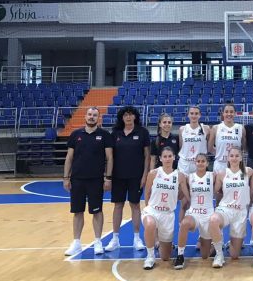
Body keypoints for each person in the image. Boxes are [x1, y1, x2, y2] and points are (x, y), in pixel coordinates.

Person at [62, 107, 114, 256]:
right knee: (77, 211)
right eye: (90, 114)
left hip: (96, 180)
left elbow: (110, 158)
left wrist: (108, 178)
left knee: (97, 211)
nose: (92, 117)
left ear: (98, 118)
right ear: (85, 116)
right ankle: (76, 243)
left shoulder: (104, 135)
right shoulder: (75, 134)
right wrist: (66, 177)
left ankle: (98, 241)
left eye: (95, 115)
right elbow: (69, 157)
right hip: (77, 179)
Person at [105, 106, 150, 253]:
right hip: (118, 176)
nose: (128, 117)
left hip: (136, 176)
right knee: (118, 205)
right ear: (122, 118)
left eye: (131, 114)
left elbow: (147, 156)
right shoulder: (115, 133)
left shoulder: (142, 132)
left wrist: (145, 175)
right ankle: (115, 239)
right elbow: (110, 157)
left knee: (135, 205)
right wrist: (108, 177)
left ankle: (137, 238)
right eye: (125, 115)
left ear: (135, 116)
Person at [141, 147, 190, 269]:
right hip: (152, 210)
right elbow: (147, 192)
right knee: (150, 224)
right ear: (160, 158)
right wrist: (148, 208)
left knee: (165, 257)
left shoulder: (180, 176)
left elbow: (185, 195)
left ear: (174, 157)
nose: (167, 159)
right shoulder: (153, 173)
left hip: (168, 214)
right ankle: (150, 256)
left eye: (170, 156)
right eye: (165, 156)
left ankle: (166, 244)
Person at [208, 146, 253, 268]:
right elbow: (214, 192)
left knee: (234, 255)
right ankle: (219, 255)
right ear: (228, 158)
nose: (234, 158)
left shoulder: (249, 172)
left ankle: (231, 243)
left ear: (241, 158)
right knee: (213, 220)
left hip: (241, 212)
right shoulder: (222, 174)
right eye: (232, 156)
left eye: (237, 156)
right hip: (226, 208)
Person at [174, 153, 215, 269]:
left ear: (207, 163)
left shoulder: (213, 176)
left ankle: (212, 245)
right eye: (198, 161)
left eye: (203, 161)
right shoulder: (189, 178)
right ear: (195, 163)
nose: (200, 163)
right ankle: (180, 255)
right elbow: (180, 196)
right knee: (184, 223)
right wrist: (180, 189)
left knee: (205, 255)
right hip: (194, 213)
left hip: (208, 215)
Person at [208, 103, 245, 173]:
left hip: (235, 164)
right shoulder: (216, 128)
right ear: (223, 113)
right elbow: (209, 148)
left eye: (231, 112)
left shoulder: (241, 128)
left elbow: (243, 147)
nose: (229, 114)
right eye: (226, 112)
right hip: (220, 163)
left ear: (235, 113)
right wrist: (219, 153)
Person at [177, 106, 210, 175]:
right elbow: (181, 146)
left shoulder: (206, 128)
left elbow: (209, 146)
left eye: (196, 113)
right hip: (184, 163)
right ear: (188, 115)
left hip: (199, 163)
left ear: (200, 115)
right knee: (183, 181)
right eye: (191, 113)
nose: (194, 116)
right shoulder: (182, 129)